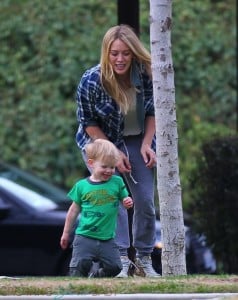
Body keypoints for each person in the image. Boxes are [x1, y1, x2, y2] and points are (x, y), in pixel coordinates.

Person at [75, 24, 159, 277]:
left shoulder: (146, 75)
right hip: (100, 141)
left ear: (134, 53)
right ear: (106, 53)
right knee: (115, 197)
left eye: (126, 53)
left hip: (136, 139)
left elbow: (155, 110)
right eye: (114, 53)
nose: (120, 59)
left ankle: (143, 259)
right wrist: (112, 152)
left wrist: (147, 144)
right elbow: (88, 122)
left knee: (144, 200)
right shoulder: (91, 80)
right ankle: (120, 259)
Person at [60, 139, 133, 277]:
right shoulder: (82, 186)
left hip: (108, 238)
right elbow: (73, 210)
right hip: (85, 237)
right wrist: (66, 233)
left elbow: (125, 199)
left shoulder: (117, 182)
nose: (109, 171)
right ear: (91, 163)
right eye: (104, 166)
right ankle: (75, 292)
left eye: (112, 167)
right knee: (79, 267)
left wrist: (127, 201)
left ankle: (96, 277)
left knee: (116, 267)